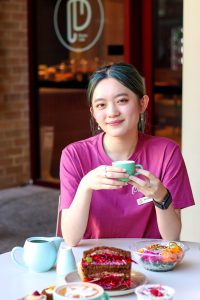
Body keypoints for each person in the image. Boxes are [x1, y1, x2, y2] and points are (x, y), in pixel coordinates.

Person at [59, 62, 194, 246]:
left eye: (122, 100)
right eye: (101, 105)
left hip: (149, 261)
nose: (112, 112)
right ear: (93, 113)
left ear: (142, 103)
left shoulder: (166, 152)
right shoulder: (74, 155)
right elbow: (71, 239)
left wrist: (161, 196)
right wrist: (86, 186)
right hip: (95, 262)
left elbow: (171, 237)